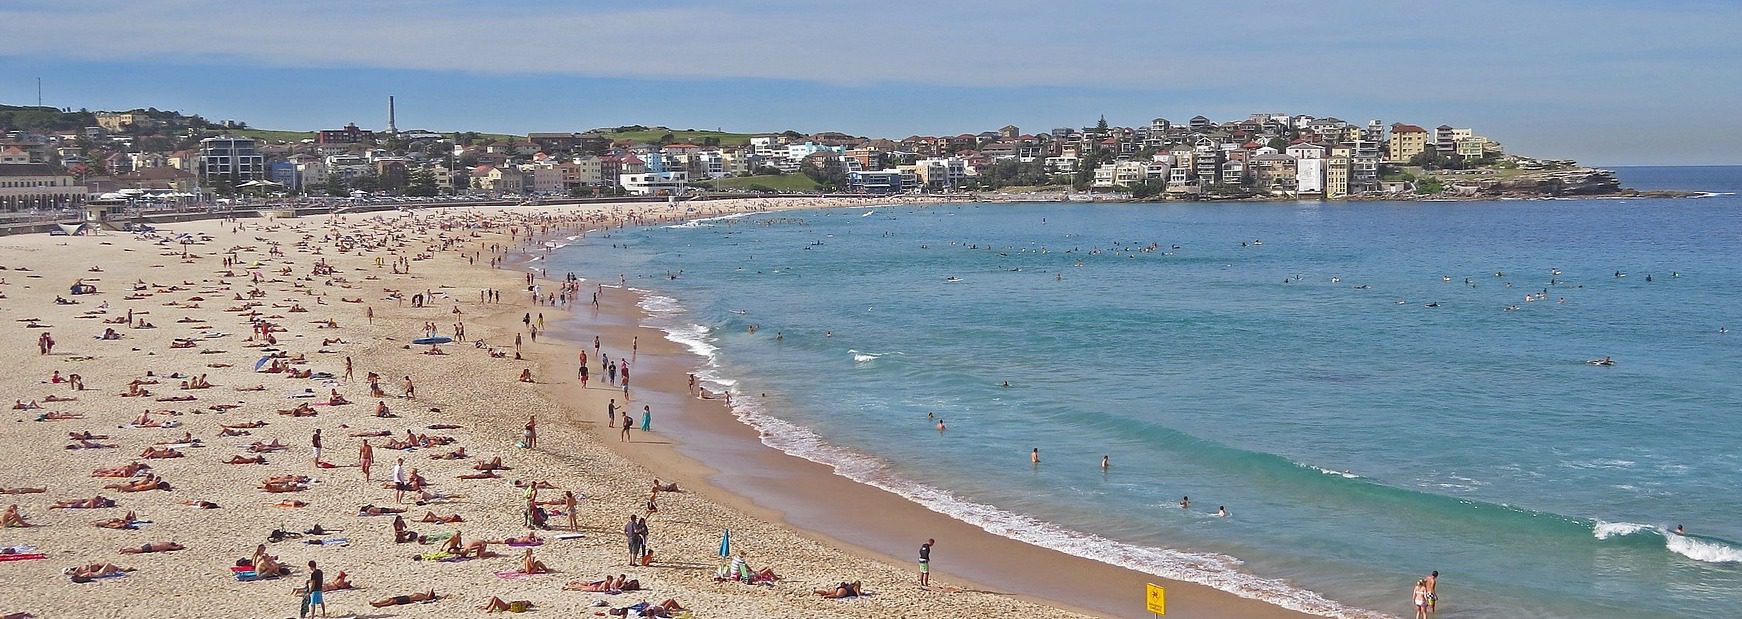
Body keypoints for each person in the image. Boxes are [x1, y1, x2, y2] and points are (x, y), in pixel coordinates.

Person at [370, 590, 437, 607]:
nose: (427, 591)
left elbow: (431, 591)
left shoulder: (426, 597)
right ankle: (377, 603)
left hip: (408, 599)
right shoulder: (423, 595)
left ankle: (380, 605)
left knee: (393, 601)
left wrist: (431, 595)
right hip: (406, 596)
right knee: (389, 599)